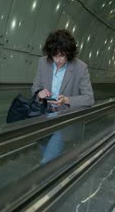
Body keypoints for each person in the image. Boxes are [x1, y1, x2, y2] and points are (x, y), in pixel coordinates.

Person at [32, 29, 94, 164]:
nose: (58, 60)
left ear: (69, 53)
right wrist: (39, 93)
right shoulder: (43, 62)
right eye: (54, 56)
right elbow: (35, 88)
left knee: (47, 161)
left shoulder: (80, 68)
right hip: (44, 119)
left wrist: (67, 100)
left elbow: (89, 98)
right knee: (48, 159)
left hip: (64, 121)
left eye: (62, 56)